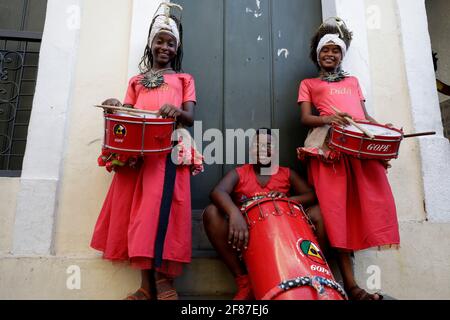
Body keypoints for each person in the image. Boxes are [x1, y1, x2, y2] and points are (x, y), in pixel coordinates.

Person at [90, 4, 197, 300]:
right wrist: (117, 105)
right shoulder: (135, 82)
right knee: (139, 216)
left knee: (160, 212)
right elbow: (129, 113)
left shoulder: (184, 80)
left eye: (171, 42)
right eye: (159, 41)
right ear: (151, 45)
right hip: (138, 155)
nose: (165, 46)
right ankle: (145, 287)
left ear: (177, 48)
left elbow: (190, 117)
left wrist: (175, 110)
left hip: (166, 153)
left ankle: (164, 281)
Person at [297, 18, 400, 300]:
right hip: (328, 149)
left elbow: (364, 118)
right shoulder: (309, 83)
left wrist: (385, 132)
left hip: (358, 148)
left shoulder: (353, 82)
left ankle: (347, 285)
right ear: (317, 55)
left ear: (342, 54)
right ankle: (348, 285)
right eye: (325, 50)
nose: (330, 55)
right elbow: (306, 118)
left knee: (359, 211)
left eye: (336, 50)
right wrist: (330, 117)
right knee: (334, 215)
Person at [203, 129, 324, 300]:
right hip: (247, 240)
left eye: (268, 145)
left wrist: (289, 199)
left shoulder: (286, 174)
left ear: (275, 151)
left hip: (283, 242)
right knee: (212, 212)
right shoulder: (241, 173)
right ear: (251, 151)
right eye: (257, 145)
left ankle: (314, 271)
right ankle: (244, 281)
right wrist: (234, 213)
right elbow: (218, 192)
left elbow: (311, 195)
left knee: (319, 213)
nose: (262, 149)